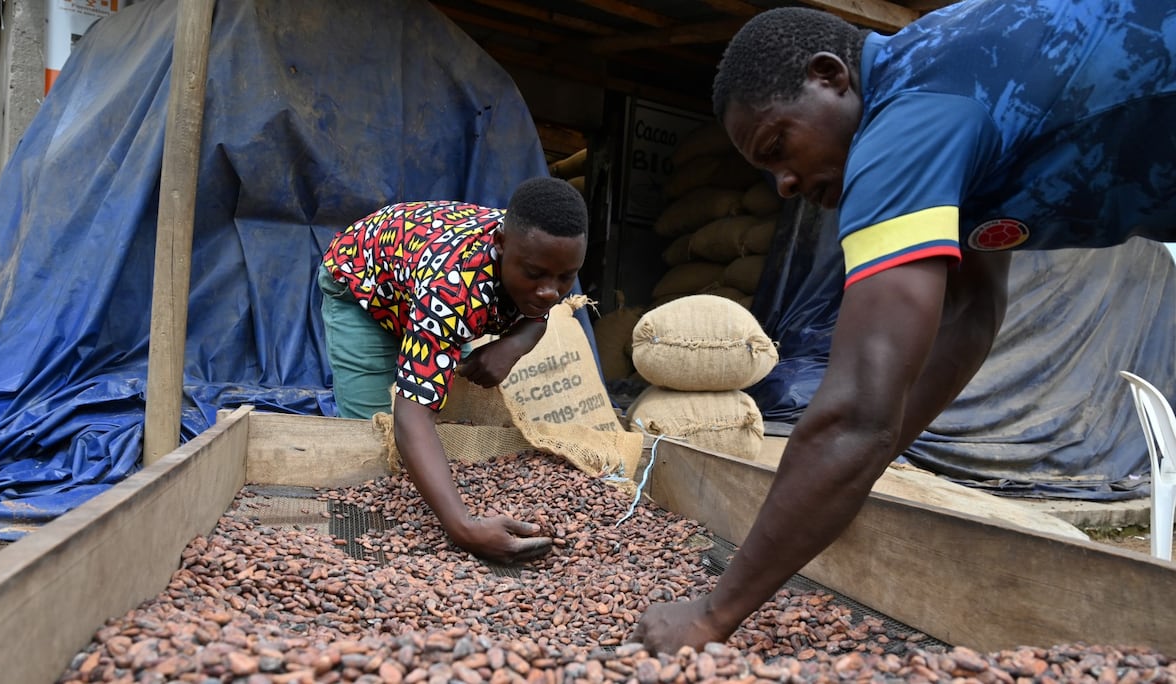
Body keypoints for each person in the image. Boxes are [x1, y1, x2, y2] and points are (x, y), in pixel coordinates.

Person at [632, 0, 1176, 652]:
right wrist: (855, 474)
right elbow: (970, 315)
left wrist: (711, 616)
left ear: (831, 77)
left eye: (778, 146)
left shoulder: (905, 122)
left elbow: (856, 416)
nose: (781, 184)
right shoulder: (943, 93)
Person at [318, 177, 588, 565]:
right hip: (363, 286)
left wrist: (512, 346)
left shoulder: (539, 248)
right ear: (499, 245)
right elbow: (410, 415)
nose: (550, 291)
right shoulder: (453, 290)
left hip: (423, 284)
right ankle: (364, 542)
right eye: (535, 274)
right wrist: (462, 527)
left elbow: (540, 313)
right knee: (375, 430)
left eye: (565, 278)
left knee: (443, 410)